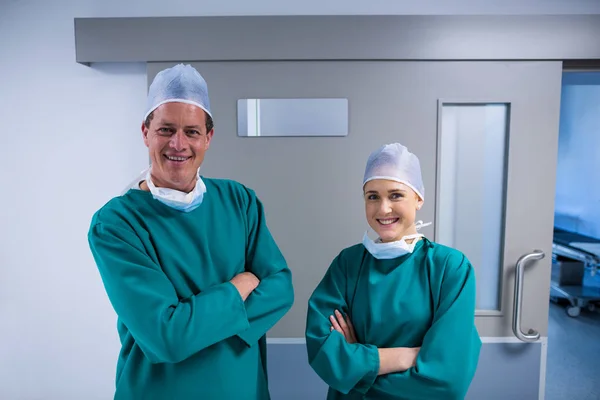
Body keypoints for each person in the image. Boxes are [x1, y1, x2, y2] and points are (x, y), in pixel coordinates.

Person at [88, 64, 294, 400]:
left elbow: (281, 288)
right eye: (166, 129)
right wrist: (237, 286)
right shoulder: (116, 224)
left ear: (209, 137)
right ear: (145, 132)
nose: (178, 144)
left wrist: (192, 322)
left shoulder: (239, 201)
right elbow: (166, 338)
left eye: (192, 131)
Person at [305, 143, 481, 399]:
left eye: (396, 195)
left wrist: (360, 366)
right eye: (372, 196)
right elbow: (323, 351)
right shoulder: (347, 264)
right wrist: (404, 356)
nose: (383, 208)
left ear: (418, 198)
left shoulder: (449, 268)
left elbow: (447, 378)